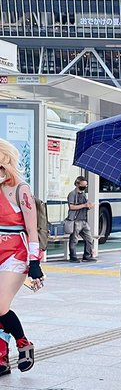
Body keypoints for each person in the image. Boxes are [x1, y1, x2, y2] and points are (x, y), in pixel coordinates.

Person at [0, 138, 44, 377]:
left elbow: (31, 228)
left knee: (0, 305)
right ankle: (1, 358)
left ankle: (23, 342)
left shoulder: (20, 189)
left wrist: (34, 262)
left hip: (16, 252)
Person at [66, 175, 95, 262]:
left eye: (86, 185)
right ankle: (73, 256)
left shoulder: (83, 194)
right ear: (77, 184)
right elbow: (71, 207)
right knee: (74, 239)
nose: (84, 187)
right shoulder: (72, 194)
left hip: (83, 220)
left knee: (89, 239)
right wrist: (84, 205)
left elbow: (84, 206)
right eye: (83, 185)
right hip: (75, 220)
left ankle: (87, 255)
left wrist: (89, 206)